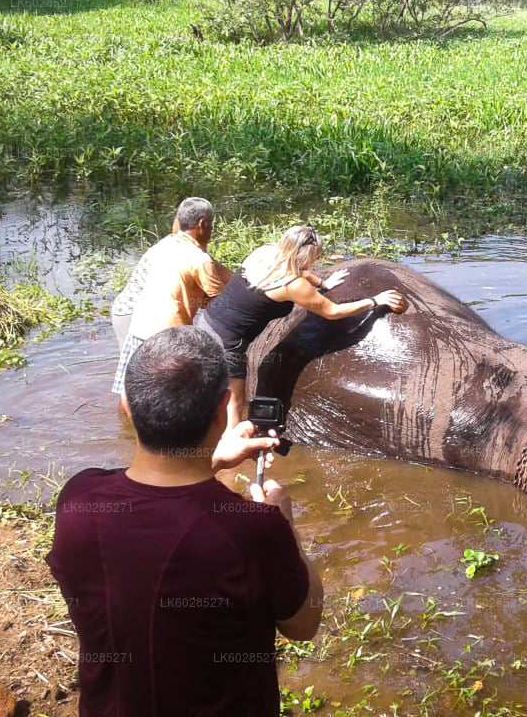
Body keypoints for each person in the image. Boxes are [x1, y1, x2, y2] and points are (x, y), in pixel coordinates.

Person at [49, 326, 323, 716]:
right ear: (222, 409)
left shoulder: (79, 498)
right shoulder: (255, 530)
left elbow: (155, 498)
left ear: (127, 404)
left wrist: (211, 459)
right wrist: (287, 526)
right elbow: (303, 625)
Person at [197, 225, 406, 427]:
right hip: (227, 342)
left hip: (206, 321)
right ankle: (230, 453)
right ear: (306, 256)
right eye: (315, 256)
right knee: (235, 403)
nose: (317, 260)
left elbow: (296, 268)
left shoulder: (265, 252)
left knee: (208, 392)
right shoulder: (291, 284)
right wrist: (375, 301)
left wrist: (322, 283)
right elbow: (332, 311)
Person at [111, 197, 233, 393]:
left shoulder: (167, 244)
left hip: (139, 326)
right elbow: (220, 303)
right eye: (211, 225)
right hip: (163, 332)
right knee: (169, 391)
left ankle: (127, 423)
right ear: (202, 224)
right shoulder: (199, 259)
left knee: (132, 388)